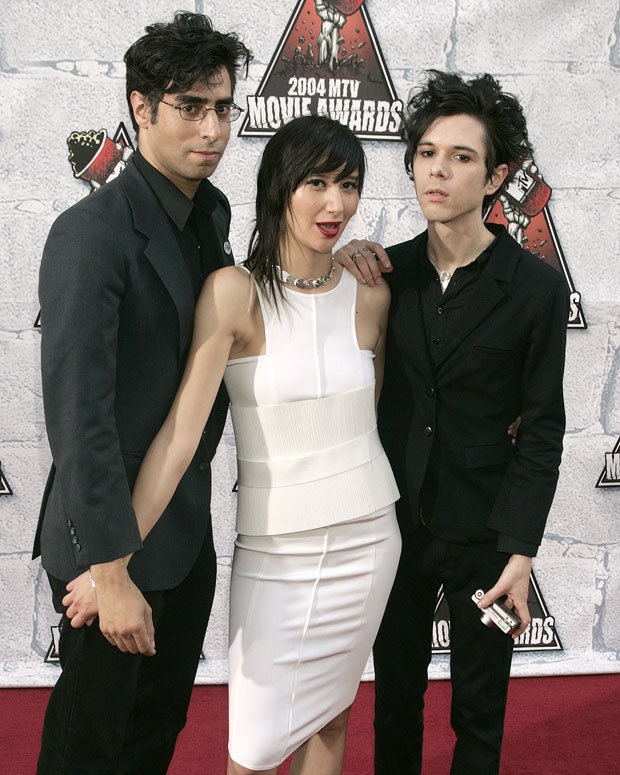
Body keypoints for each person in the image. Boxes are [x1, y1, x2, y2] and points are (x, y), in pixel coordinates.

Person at [66, 114, 401, 774]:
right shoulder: (233, 294)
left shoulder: (370, 297)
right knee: (249, 747)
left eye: (350, 185)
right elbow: (178, 440)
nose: (336, 204)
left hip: (368, 539)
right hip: (275, 551)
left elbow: (375, 421)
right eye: (316, 183)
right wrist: (111, 557)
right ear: (278, 186)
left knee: (332, 716)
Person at [33, 12, 251, 774]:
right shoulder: (90, 233)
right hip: (107, 544)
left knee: (152, 738)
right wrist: (111, 568)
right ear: (140, 108)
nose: (212, 127)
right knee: (87, 748)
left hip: (185, 538)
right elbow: (79, 418)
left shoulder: (210, 217)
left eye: (223, 107)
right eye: (190, 106)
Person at [335, 70, 569, 774]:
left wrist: (520, 551)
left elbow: (544, 429)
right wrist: (337, 261)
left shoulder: (534, 287)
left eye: (461, 157)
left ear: (497, 174)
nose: (437, 169)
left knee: (479, 712)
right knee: (394, 704)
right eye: (427, 152)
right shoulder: (384, 273)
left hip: (488, 539)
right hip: (394, 525)